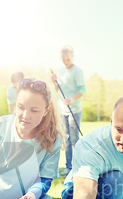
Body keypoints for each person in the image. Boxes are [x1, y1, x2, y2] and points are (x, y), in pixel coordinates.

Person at [51, 45, 86, 176]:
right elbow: (57, 89)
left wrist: (71, 99)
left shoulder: (77, 71)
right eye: (63, 59)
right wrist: (54, 82)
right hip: (62, 110)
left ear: (72, 56)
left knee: (74, 139)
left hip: (74, 109)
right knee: (65, 139)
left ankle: (79, 166)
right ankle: (68, 167)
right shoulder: (60, 71)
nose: (65, 61)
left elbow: (82, 90)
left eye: (67, 59)